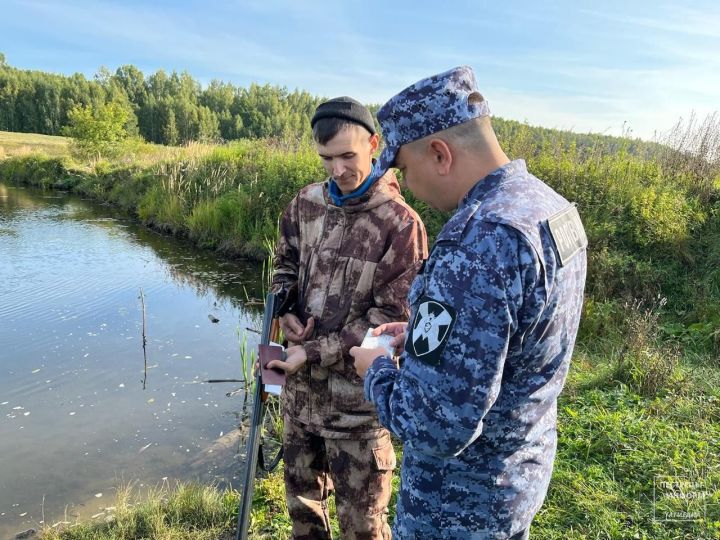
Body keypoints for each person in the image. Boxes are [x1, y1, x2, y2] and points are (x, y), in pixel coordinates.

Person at [350, 66, 588, 539]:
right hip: (517, 476)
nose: (407, 187)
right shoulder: (551, 209)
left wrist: (374, 369)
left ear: (439, 154)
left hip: (456, 506)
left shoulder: (479, 243)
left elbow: (435, 424)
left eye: (404, 170)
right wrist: (420, 334)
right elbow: (513, 339)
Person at [267, 96, 428, 539]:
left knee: (364, 526)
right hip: (300, 401)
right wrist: (288, 310)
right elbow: (283, 265)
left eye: (347, 156)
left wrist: (311, 352)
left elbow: (392, 320)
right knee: (303, 515)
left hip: (358, 410)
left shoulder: (401, 224)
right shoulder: (305, 204)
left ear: (374, 144)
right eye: (325, 158)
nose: (336, 169)